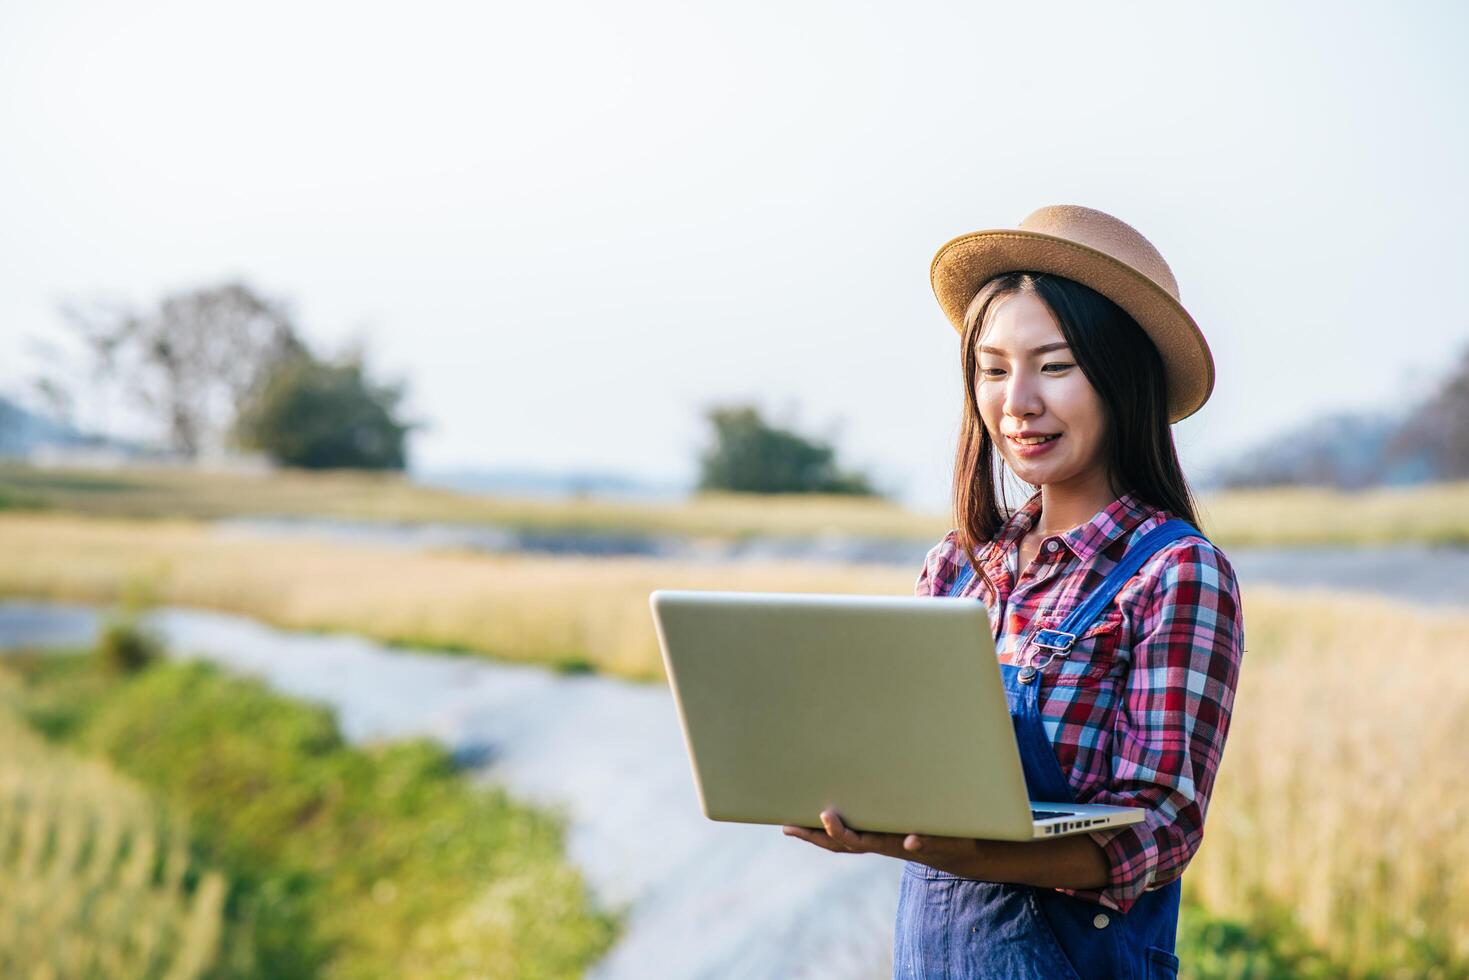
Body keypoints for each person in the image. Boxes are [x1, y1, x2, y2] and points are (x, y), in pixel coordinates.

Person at [781, 204, 1246, 979]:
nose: (1016, 402)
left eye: (1054, 365)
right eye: (992, 369)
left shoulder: (1176, 574)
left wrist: (984, 855)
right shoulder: (953, 568)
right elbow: (910, 767)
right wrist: (862, 810)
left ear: (1121, 376)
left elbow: (1161, 832)